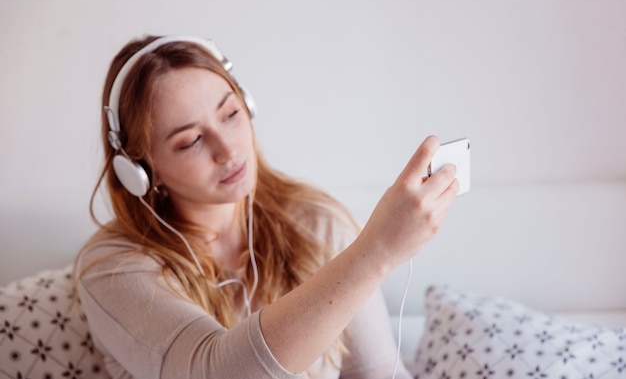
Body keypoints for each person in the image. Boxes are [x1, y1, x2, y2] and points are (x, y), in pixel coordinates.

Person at [74, 34, 459, 379]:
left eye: (230, 114)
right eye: (191, 140)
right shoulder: (112, 268)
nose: (228, 149)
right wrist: (376, 252)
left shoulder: (317, 223)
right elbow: (216, 371)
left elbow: (375, 373)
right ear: (141, 169)